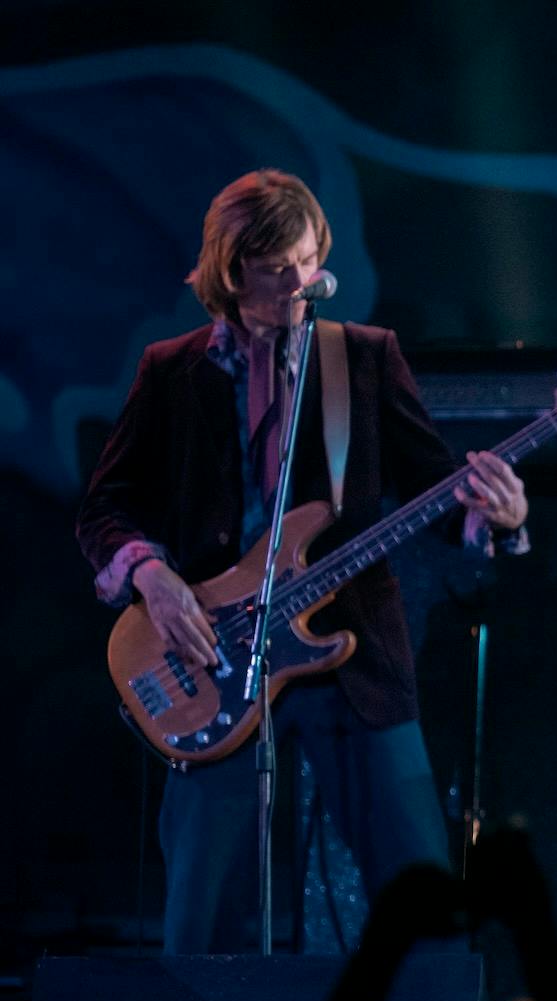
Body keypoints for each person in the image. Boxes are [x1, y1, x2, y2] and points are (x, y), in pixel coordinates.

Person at [75, 168, 529, 953]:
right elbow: (104, 509)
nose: (300, 283)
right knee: (196, 924)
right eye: (276, 268)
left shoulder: (363, 358)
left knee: (422, 902)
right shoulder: (170, 370)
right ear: (230, 269)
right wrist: (155, 578)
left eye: (309, 260)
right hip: (212, 660)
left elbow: (439, 493)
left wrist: (502, 518)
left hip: (352, 657)